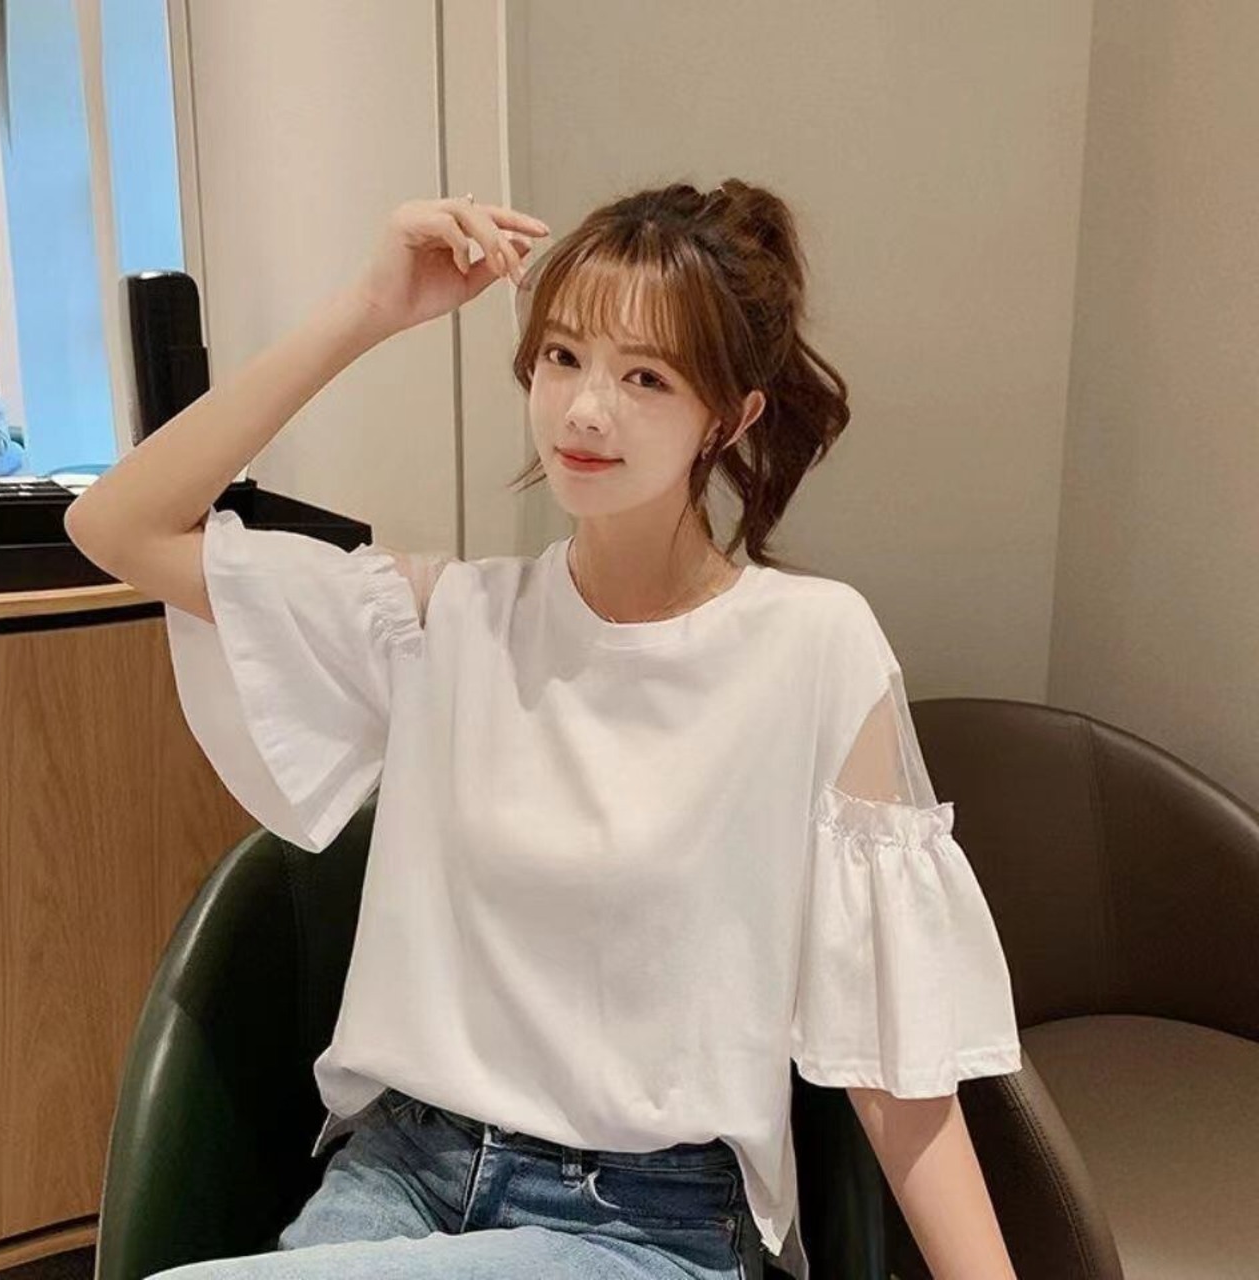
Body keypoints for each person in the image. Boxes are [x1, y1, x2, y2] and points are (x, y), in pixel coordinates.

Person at [65, 187, 1023, 1280]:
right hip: (398, 1180)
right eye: (562, 357)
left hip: (639, 1224)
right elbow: (115, 525)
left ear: (730, 417)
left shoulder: (813, 648)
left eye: (646, 377)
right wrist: (370, 307)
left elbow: (894, 1071)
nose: (584, 411)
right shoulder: (444, 623)